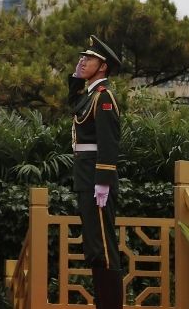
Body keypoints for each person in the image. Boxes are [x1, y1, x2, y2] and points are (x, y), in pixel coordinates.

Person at [70, 35, 124, 309]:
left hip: (95, 179)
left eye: (88, 59)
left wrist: (103, 181)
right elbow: (73, 104)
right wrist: (76, 76)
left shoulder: (104, 98)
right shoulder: (89, 94)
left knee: (104, 247)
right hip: (85, 177)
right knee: (94, 247)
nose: (83, 61)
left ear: (102, 66)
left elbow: (108, 143)